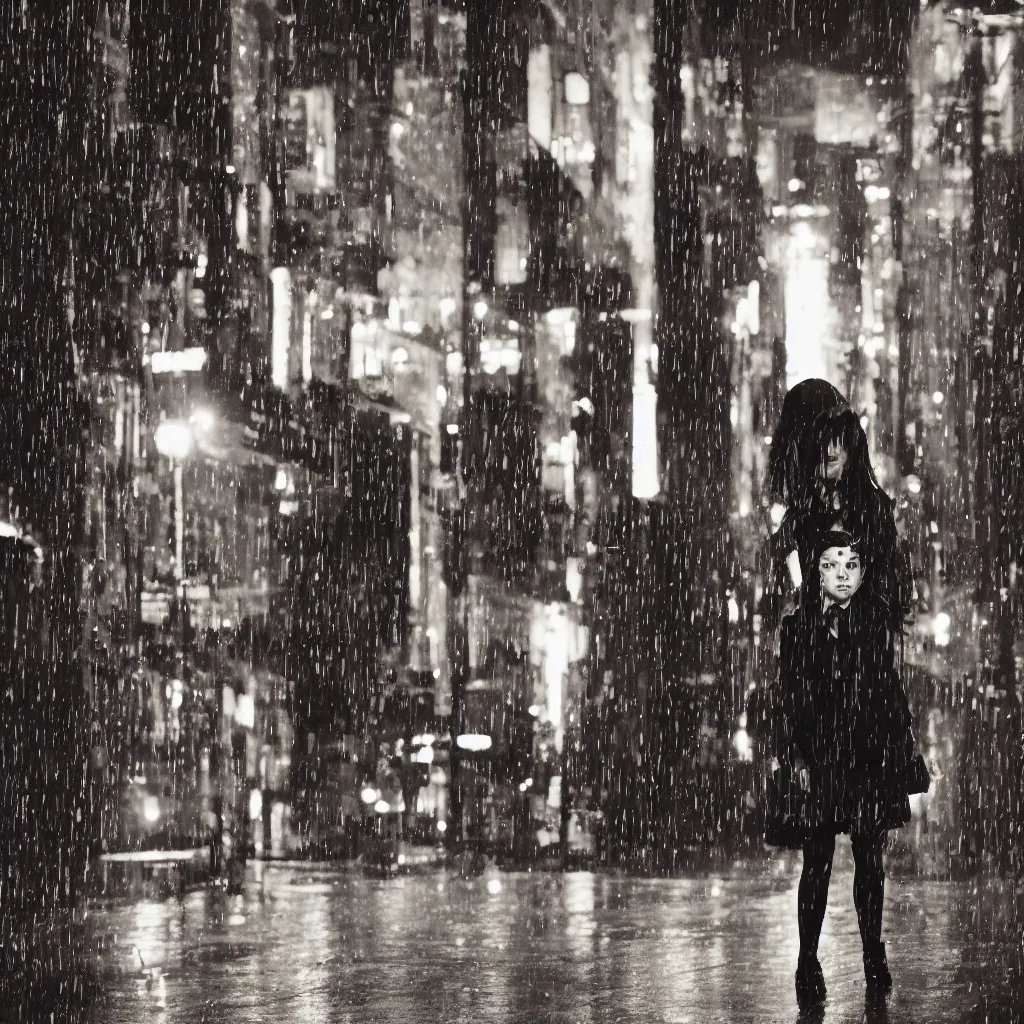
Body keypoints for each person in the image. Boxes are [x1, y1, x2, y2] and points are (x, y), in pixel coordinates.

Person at [767, 529, 915, 1008]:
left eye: (851, 565)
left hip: (866, 758)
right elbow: (789, 698)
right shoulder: (797, 627)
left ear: (863, 573)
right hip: (819, 759)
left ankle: (874, 953)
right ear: (816, 572)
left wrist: (899, 746)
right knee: (817, 863)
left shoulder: (873, 625)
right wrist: (795, 756)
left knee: (870, 861)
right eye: (831, 564)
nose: (842, 575)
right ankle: (807, 959)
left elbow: (887, 690)